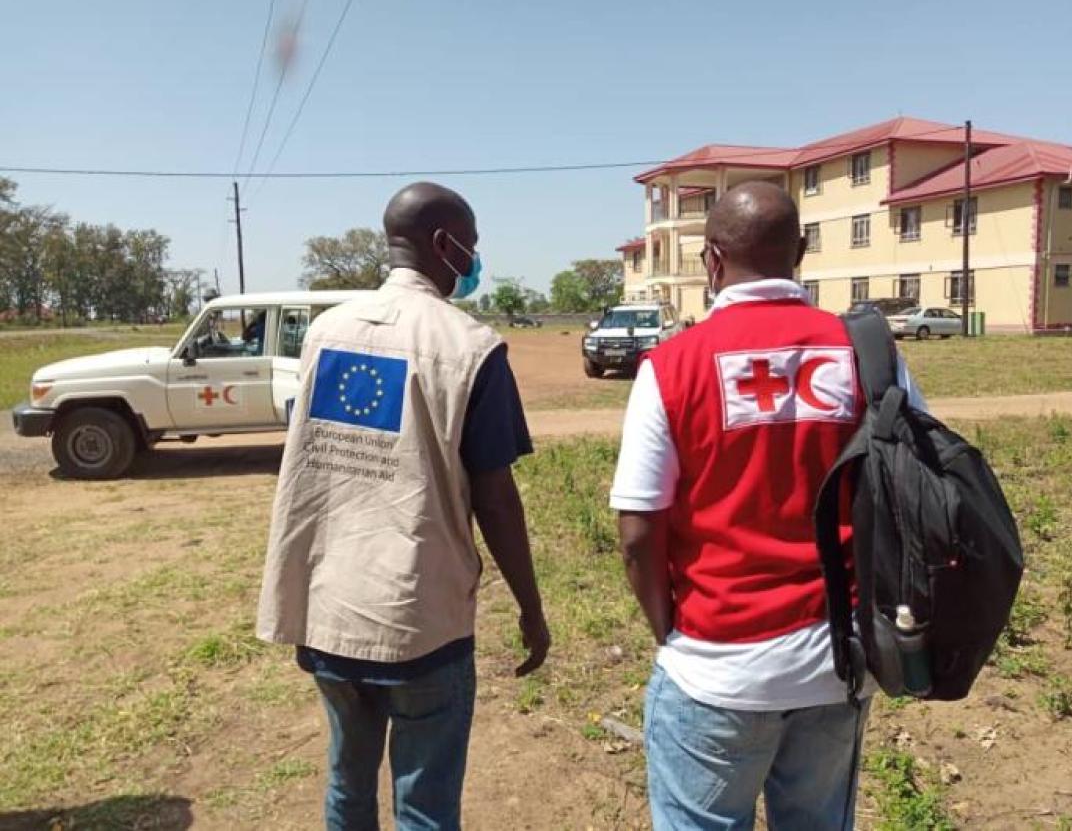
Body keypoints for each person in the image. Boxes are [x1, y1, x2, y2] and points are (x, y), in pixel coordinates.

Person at [610, 181, 925, 830]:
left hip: (714, 666)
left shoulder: (672, 365)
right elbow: (923, 485)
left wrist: (667, 629)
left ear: (710, 261)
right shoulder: (869, 353)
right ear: (800, 251)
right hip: (836, 660)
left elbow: (637, 529)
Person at [257, 182, 550, 830]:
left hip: (326, 607)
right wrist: (531, 608)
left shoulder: (324, 333)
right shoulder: (471, 347)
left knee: (346, 783)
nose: (473, 263)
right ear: (444, 244)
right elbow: (495, 498)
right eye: (470, 248)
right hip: (419, 621)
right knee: (424, 805)